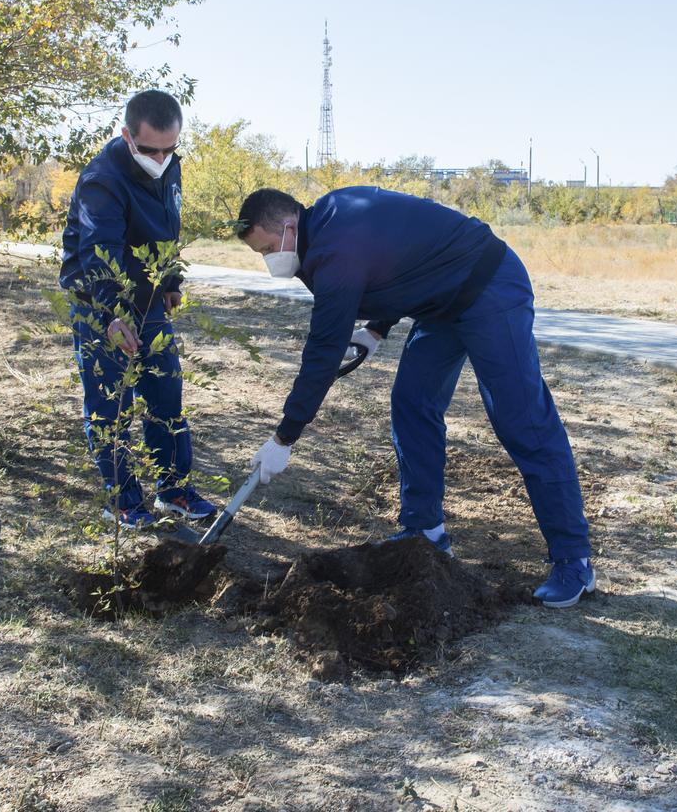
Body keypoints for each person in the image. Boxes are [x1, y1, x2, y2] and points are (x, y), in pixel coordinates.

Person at [235, 186, 595, 608]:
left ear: (290, 225)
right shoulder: (332, 220)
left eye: (267, 248)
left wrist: (284, 438)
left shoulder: (334, 249)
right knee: (412, 404)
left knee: (522, 420)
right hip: (441, 303)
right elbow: (400, 258)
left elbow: (321, 355)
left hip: (489, 285)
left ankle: (575, 560)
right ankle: (424, 529)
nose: (269, 261)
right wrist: (376, 329)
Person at [58, 89, 217, 528]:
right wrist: (111, 316)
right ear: (128, 136)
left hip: (149, 305)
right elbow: (99, 253)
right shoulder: (101, 181)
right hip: (99, 306)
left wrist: (169, 282)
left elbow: (166, 228)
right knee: (111, 410)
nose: (161, 158)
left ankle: (174, 491)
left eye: (171, 148)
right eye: (150, 149)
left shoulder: (169, 165)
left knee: (166, 397)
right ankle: (125, 501)